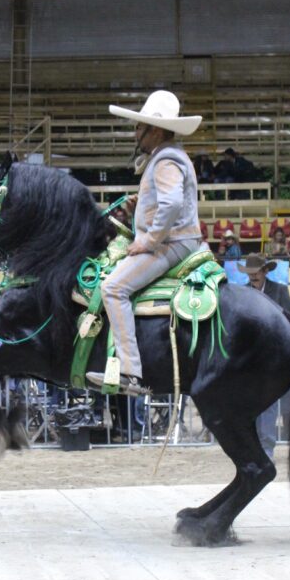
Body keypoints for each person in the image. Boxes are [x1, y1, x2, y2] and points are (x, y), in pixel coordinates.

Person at [86, 90, 204, 395]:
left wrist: (149, 241)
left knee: (112, 287)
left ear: (157, 130)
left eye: (141, 127)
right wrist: (142, 203)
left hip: (172, 243)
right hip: (181, 239)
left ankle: (130, 372)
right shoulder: (166, 159)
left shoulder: (165, 160)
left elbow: (173, 204)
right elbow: (167, 200)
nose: (136, 132)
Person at [240, 254, 290, 459]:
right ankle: (252, 447)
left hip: (273, 356)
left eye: (256, 273)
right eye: (250, 274)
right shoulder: (242, 292)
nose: (253, 277)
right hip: (248, 358)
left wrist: (273, 310)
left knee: (269, 404)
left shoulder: (279, 291)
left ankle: (267, 447)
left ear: (265, 272)